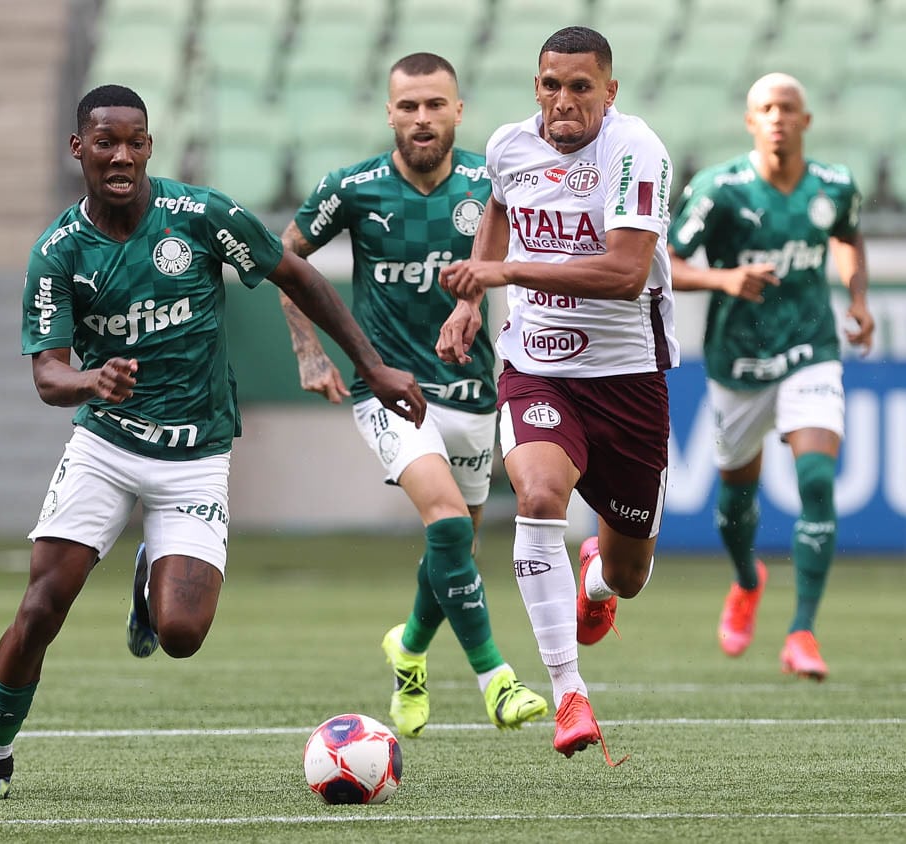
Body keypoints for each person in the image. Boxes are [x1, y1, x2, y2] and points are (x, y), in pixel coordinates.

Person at [0, 84, 428, 800]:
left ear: (150, 146)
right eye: (105, 142)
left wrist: (371, 365)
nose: (121, 156)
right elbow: (49, 375)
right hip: (105, 448)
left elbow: (295, 273)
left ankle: (151, 579)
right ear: (77, 148)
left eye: (135, 141)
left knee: (181, 634)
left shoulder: (201, 216)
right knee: (43, 605)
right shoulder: (58, 253)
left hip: (197, 456)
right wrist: (91, 383)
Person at [278, 53, 546, 740]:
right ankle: (497, 681)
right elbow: (285, 256)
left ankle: (410, 649)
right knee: (450, 526)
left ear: (458, 110)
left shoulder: (494, 180)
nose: (421, 118)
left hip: (473, 389)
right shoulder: (355, 187)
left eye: (434, 104)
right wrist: (310, 352)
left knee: (451, 547)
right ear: (390, 113)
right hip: (390, 388)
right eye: (408, 106)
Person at [436, 26, 676, 763]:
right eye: (550, 84)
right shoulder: (509, 145)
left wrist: (506, 276)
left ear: (610, 91)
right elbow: (500, 211)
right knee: (539, 497)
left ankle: (595, 583)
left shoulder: (636, 152)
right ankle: (569, 693)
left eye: (580, 87)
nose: (563, 101)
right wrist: (472, 299)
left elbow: (625, 272)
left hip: (628, 377)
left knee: (628, 576)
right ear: (535, 86)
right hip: (536, 364)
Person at [668, 73, 873, 681]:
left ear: (806, 120)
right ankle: (745, 579)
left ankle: (802, 631)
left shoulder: (835, 185)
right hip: (739, 361)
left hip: (812, 348)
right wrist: (724, 279)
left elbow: (848, 235)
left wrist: (857, 300)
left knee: (816, 478)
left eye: (787, 108)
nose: (777, 117)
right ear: (750, 121)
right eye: (765, 108)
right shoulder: (720, 190)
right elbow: (664, 263)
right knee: (736, 497)